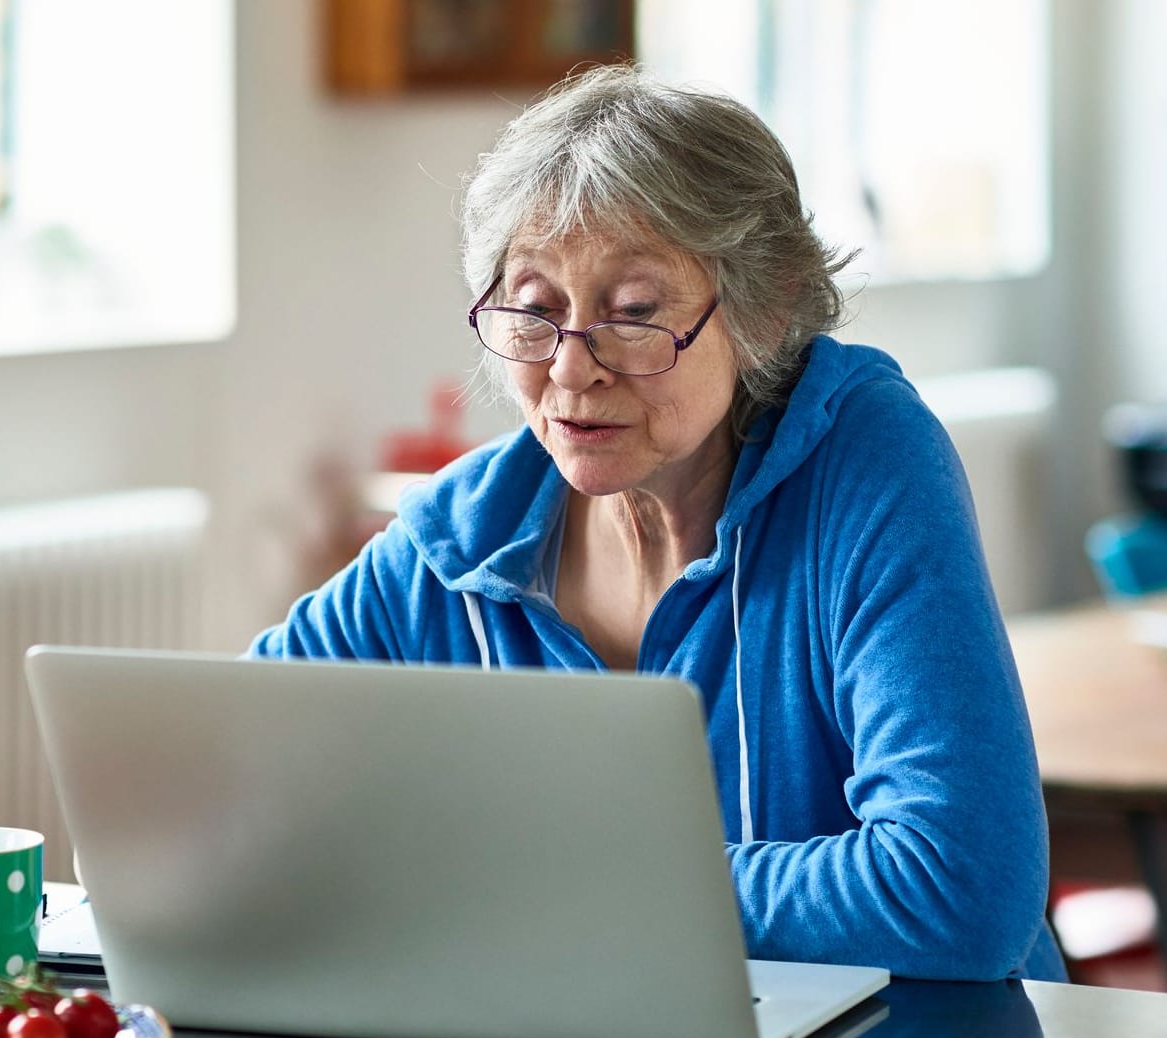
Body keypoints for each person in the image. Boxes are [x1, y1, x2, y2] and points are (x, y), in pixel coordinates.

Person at [249, 63, 1066, 982]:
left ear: (772, 307)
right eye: (534, 309)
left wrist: (554, 890)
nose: (571, 369)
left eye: (634, 315)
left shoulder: (865, 464)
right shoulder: (464, 533)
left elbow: (956, 890)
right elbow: (231, 771)